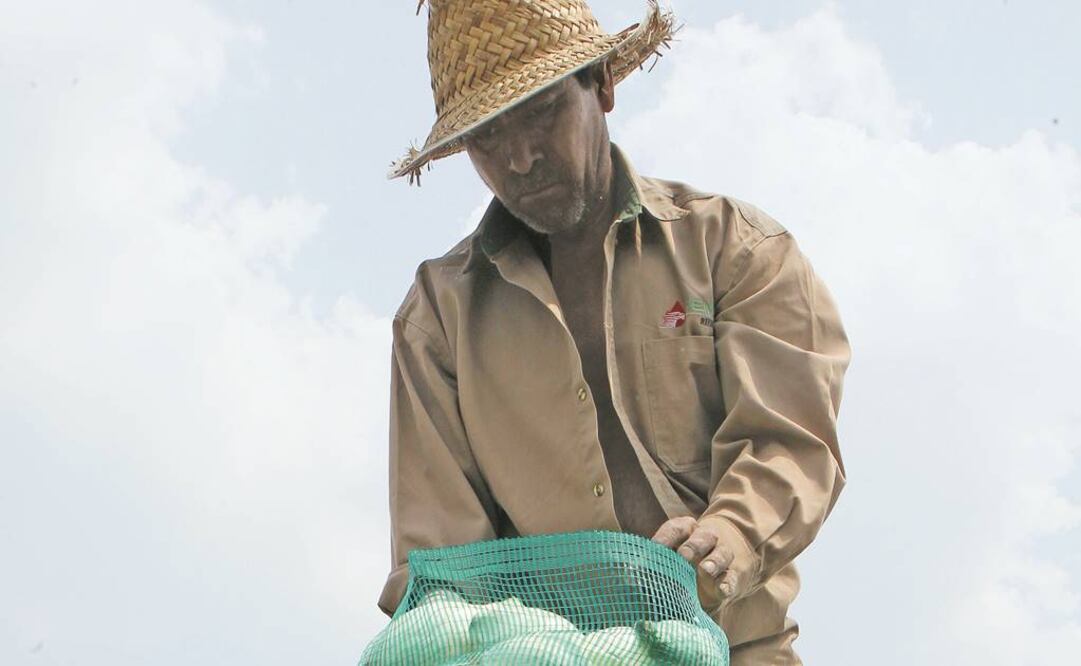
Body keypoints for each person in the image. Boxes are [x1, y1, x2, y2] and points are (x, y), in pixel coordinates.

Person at [379, 1, 851, 663]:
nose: (518, 159)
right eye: (488, 135)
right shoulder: (437, 319)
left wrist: (724, 542)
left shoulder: (735, 251)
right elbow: (444, 572)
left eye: (541, 111)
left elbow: (791, 446)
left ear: (600, 84)